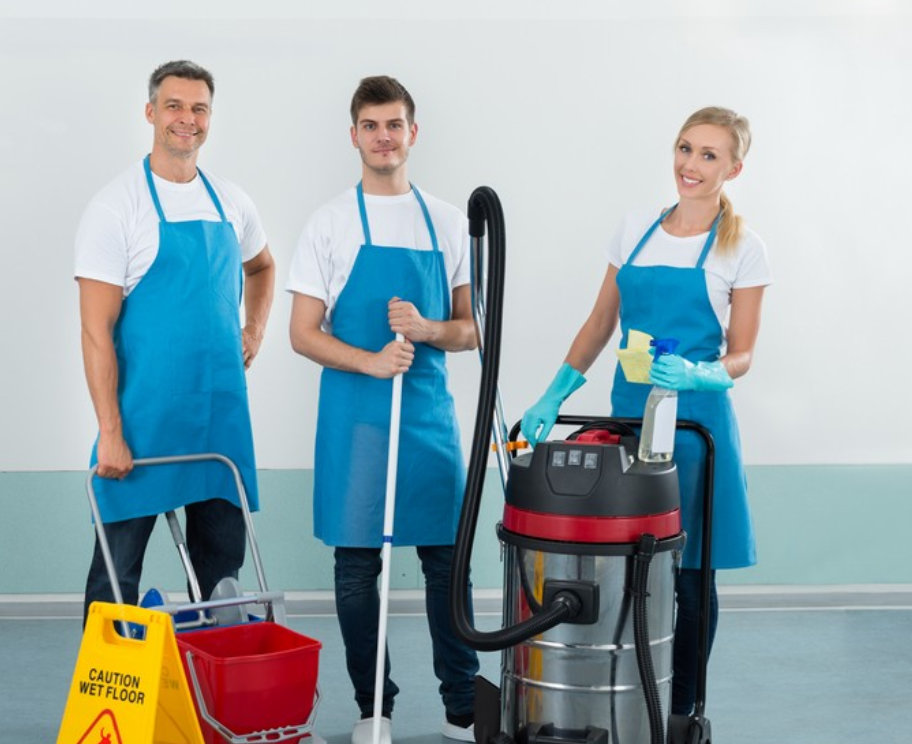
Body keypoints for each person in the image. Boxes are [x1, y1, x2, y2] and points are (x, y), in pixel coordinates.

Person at [521, 107, 770, 716]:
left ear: (734, 168)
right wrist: (553, 395)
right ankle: (628, 698)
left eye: (709, 155)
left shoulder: (744, 248)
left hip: (695, 432)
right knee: (627, 569)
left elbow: (742, 356)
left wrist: (699, 374)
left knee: (689, 579)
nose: (691, 164)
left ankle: (680, 710)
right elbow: (600, 323)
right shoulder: (636, 228)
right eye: (686, 149)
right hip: (627, 425)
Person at [287, 76, 480, 744]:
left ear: (412, 133)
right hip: (356, 417)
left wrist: (427, 330)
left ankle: (462, 703)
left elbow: (472, 328)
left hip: (427, 416)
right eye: (371, 125)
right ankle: (374, 707)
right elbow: (302, 331)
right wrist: (370, 361)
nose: (384, 137)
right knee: (356, 568)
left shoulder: (450, 220)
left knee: (446, 564)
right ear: (355, 136)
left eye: (395, 124)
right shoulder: (331, 222)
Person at [75, 60, 275, 621]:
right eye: (174, 106)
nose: (187, 119)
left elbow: (262, 268)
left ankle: (214, 704)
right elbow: (95, 332)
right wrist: (110, 432)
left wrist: (254, 329)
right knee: (115, 583)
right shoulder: (117, 208)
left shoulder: (231, 202)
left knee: (224, 590)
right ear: (150, 113)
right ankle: (108, 703)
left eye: (198, 108)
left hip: (219, 422)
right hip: (141, 427)